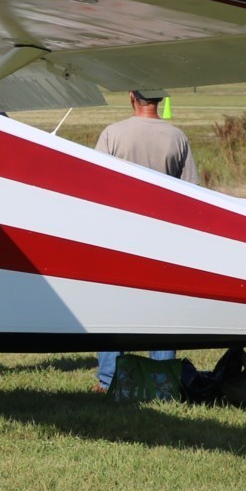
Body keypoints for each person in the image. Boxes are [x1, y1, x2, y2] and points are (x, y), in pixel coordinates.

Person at [93, 89, 197, 392]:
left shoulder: (113, 134)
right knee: (163, 310)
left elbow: (96, 185)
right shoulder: (177, 137)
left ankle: (108, 379)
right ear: (160, 100)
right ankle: (162, 378)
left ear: (131, 98)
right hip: (164, 238)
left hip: (119, 236)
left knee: (114, 308)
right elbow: (191, 190)